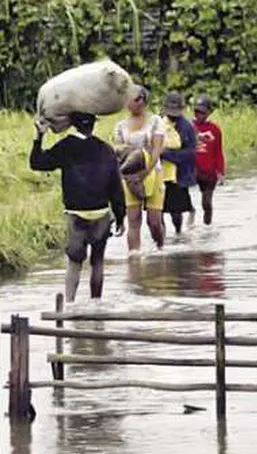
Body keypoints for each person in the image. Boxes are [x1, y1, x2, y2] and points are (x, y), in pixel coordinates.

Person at [30, 111, 126, 302]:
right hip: (101, 214)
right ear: (93, 125)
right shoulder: (105, 149)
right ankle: (96, 305)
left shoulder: (66, 146)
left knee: (74, 263)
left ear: (72, 124)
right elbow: (116, 186)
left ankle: (69, 305)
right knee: (97, 262)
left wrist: (39, 136)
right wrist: (120, 216)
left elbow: (37, 163)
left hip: (76, 215)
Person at [112, 85, 166, 254]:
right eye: (128, 99)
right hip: (129, 174)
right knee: (133, 220)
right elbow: (118, 149)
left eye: (135, 99)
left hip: (152, 173)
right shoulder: (120, 126)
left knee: (154, 221)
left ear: (143, 101)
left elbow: (157, 149)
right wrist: (129, 174)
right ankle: (134, 258)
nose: (131, 103)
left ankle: (160, 248)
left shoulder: (156, 121)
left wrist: (145, 171)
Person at [159, 92, 197, 235]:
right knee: (158, 212)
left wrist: (166, 154)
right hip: (159, 175)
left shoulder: (187, 127)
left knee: (176, 212)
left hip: (178, 176)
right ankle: (160, 239)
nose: (172, 116)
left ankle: (178, 234)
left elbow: (191, 153)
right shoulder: (157, 124)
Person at [192, 95, 225, 226]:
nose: (199, 115)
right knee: (184, 201)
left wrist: (220, 172)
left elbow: (218, 152)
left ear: (209, 112)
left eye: (202, 112)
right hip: (192, 170)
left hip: (209, 172)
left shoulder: (215, 129)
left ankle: (207, 227)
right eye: (196, 111)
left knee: (206, 203)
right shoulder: (189, 126)